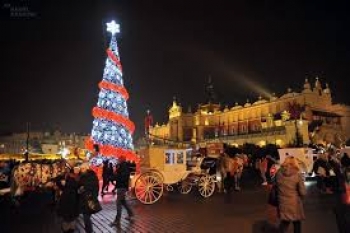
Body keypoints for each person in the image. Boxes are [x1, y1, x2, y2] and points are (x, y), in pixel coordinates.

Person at [276, 156, 306, 233]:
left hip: (282, 201)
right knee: (296, 222)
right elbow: (303, 192)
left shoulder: (279, 173)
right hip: (294, 203)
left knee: (285, 221)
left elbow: (275, 185)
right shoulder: (297, 175)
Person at [111, 155, 134, 226]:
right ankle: (131, 214)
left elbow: (122, 177)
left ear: (121, 160)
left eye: (119, 159)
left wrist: (116, 174)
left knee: (118, 203)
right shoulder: (122, 166)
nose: (117, 159)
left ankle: (117, 220)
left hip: (121, 187)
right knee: (123, 202)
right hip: (121, 186)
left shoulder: (123, 166)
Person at [55, 166, 80, 233]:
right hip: (69, 199)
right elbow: (58, 182)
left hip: (71, 199)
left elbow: (77, 187)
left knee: (69, 216)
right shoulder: (69, 177)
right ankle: (69, 228)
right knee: (69, 216)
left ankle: (68, 228)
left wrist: (63, 183)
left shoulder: (76, 178)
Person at [78, 162, 99, 233]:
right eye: (81, 168)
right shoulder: (83, 175)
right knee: (86, 217)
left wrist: (83, 188)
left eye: (83, 168)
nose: (81, 170)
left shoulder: (90, 176)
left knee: (86, 217)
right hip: (85, 199)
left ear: (87, 168)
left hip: (89, 199)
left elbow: (92, 186)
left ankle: (89, 231)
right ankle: (89, 230)